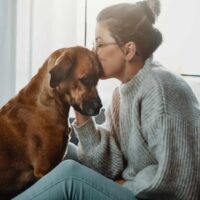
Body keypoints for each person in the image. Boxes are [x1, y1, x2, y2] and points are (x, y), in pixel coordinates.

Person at [13, 0, 200, 199]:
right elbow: (110, 164)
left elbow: (181, 178)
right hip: (133, 188)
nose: (92, 53)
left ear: (128, 50)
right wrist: (80, 106)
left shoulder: (162, 89)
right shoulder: (122, 94)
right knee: (62, 151)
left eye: (100, 44)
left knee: (70, 177)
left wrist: (129, 185)